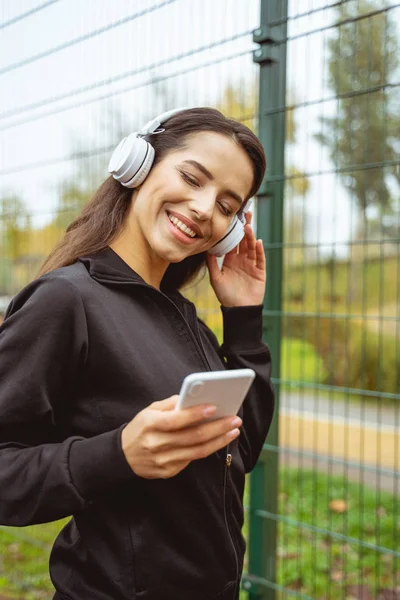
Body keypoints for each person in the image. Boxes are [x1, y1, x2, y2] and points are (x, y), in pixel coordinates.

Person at [0, 107, 274, 600]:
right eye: (192, 178)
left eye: (227, 206)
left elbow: (242, 448)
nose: (204, 209)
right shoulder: (66, 300)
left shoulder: (182, 316)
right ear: (138, 163)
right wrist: (117, 454)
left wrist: (244, 320)